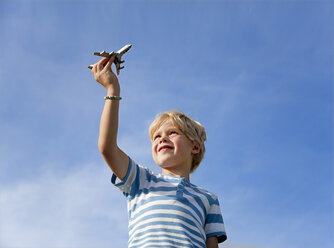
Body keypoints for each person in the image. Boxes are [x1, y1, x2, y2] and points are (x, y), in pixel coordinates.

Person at [91, 55, 227, 248]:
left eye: (172, 133)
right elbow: (107, 147)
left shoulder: (208, 199)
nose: (162, 138)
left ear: (195, 147)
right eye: (156, 136)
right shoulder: (141, 180)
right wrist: (112, 90)